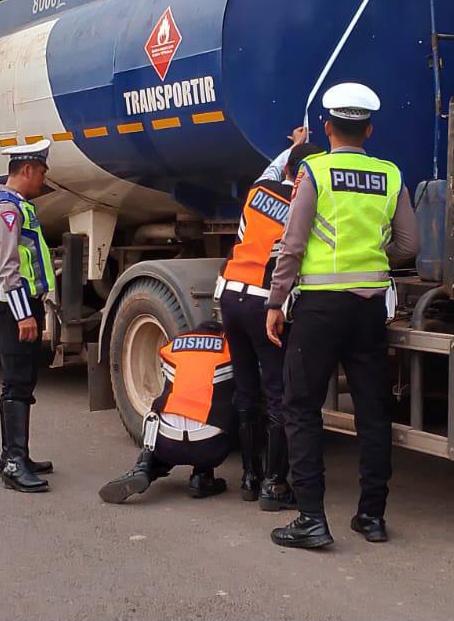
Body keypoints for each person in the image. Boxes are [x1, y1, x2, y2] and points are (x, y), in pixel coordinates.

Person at [265, 82, 419, 548]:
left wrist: (275, 301)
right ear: (369, 129)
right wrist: (373, 261)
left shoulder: (314, 171)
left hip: (319, 310)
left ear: (328, 127)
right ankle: (371, 517)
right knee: (373, 412)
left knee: (301, 407)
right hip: (370, 308)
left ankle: (311, 519)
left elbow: (292, 244)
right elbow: (409, 245)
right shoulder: (390, 176)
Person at [216, 135, 322, 509]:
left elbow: (275, 168)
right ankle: (275, 485)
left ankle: (249, 477)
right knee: (277, 393)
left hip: (230, 295)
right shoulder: (304, 202)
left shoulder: (258, 190)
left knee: (246, 389)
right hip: (264, 302)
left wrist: (295, 145)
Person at [0, 139, 57, 493]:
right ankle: (13, 463)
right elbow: (7, 266)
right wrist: (23, 315)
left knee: (24, 379)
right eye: (41, 171)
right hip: (15, 306)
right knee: (16, 381)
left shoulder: (19, 206)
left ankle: (16, 454)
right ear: (26, 170)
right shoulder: (7, 209)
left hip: (25, 304)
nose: (43, 179)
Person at [98, 322, 237, 503]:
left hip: (168, 445)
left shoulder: (173, 347)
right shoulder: (229, 349)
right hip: (210, 448)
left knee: (165, 405)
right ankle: (202, 476)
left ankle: (144, 466)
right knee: (229, 405)